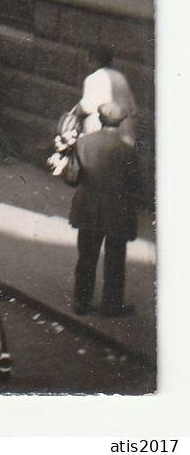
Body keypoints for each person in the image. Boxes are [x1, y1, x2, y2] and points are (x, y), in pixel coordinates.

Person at [63, 102, 139, 316]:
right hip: (118, 209)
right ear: (121, 122)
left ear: (100, 119)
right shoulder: (127, 149)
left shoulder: (83, 143)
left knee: (87, 255)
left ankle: (81, 301)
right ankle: (111, 304)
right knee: (115, 258)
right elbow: (136, 185)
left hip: (88, 206)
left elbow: (72, 177)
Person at [76, 46, 138, 145]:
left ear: (94, 61)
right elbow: (133, 110)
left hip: (98, 141)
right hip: (125, 141)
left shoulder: (92, 79)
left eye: (89, 59)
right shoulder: (121, 78)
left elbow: (85, 108)